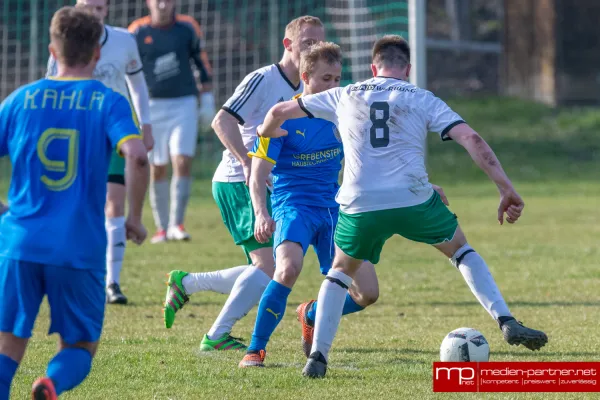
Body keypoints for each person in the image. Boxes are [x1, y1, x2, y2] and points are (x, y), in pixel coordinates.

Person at [256, 35, 548, 378]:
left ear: (372, 67)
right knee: (461, 250)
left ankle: (318, 357)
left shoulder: (345, 93)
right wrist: (506, 189)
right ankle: (506, 320)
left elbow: (278, 112)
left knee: (338, 273)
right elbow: (472, 139)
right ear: (407, 69)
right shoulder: (423, 98)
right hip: (413, 199)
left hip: (359, 204)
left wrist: (266, 130)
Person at [0, 6, 149, 399]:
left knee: (7, 346)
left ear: (53, 48)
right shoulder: (107, 100)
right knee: (80, 347)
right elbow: (136, 155)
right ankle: (50, 383)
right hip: (78, 247)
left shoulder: (20, 99)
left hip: (19, 244)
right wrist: (134, 217)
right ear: (97, 53)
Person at [162, 16, 324, 352]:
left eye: (318, 43)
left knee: (266, 266)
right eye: (307, 43)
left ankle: (187, 283)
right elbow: (221, 120)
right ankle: (216, 335)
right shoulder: (263, 80)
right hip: (239, 181)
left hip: (270, 186)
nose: (314, 49)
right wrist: (246, 162)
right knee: (270, 266)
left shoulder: (309, 88)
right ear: (288, 45)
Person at [238, 42, 380, 368]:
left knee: (367, 293)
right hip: (294, 205)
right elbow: (257, 175)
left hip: (334, 210)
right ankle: (255, 349)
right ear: (305, 77)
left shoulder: (345, 115)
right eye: (326, 78)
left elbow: (373, 159)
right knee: (287, 268)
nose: (333, 86)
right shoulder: (281, 116)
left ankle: (312, 313)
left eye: (337, 79)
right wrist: (262, 212)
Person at [46, 0, 153, 305]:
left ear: (107, 10)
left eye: (100, 8)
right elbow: (54, 83)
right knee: (76, 205)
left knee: (113, 205)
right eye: (88, 7)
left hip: (115, 133)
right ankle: (70, 273)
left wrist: (146, 124)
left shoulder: (123, 40)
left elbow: (137, 82)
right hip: (76, 133)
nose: (93, 13)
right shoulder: (64, 44)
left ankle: (112, 282)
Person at [128, 0, 216, 243]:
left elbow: (201, 61)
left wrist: (207, 97)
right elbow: (128, 69)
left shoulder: (188, 28)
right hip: (152, 105)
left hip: (183, 103)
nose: (163, 4)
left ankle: (178, 223)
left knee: (182, 160)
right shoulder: (136, 31)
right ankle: (161, 228)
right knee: (157, 165)